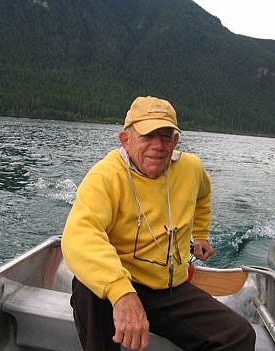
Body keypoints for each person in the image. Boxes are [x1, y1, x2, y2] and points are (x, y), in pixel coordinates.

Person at [61, 96, 255, 351]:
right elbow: (79, 236)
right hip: (121, 281)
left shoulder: (191, 168)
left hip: (168, 290)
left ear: (175, 141)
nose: (158, 145)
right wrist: (122, 292)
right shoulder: (105, 176)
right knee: (88, 286)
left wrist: (200, 234)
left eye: (166, 136)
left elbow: (203, 195)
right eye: (148, 136)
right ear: (125, 140)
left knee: (238, 336)